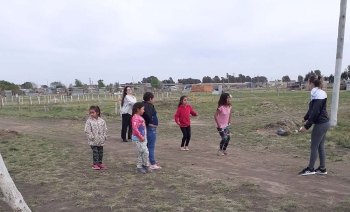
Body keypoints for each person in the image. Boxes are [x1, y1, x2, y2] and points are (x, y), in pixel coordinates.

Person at [299, 75, 330, 176]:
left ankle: (310, 168)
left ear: (311, 84)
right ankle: (322, 168)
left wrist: (306, 126)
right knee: (320, 145)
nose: (307, 85)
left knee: (314, 146)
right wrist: (305, 117)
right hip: (325, 123)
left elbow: (315, 112)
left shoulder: (317, 94)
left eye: (307, 82)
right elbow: (312, 109)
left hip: (321, 124)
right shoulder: (317, 92)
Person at [142, 92, 162, 170]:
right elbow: (148, 116)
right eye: (153, 98)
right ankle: (152, 163)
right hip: (150, 129)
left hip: (146, 128)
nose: (153, 100)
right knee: (150, 146)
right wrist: (150, 124)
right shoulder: (149, 106)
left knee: (146, 146)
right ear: (150, 99)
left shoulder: (142, 105)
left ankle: (146, 162)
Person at [84, 106, 108, 170]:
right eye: (90, 113)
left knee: (100, 152)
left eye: (93, 112)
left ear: (97, 112)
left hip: (101, 140)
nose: (91, 114)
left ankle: (100, 163)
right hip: (93, 141)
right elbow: (87, 130)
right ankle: (95, 164)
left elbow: (105, 129)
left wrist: (104, 136)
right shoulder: (89, 121)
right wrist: (91, 137)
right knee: (95, 152)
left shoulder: (102, 121)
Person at [131, 102, 152, 174]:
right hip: (138, 139)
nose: (144, 111)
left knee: (142, 152)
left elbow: (143, 127)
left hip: (143, 138)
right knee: (144, 152)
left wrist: (144, 136)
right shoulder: (135, 118)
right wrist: (140, 137)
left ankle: (143, 166)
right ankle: (143, 166)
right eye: (143, 109)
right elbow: (135, 128)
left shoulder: (140, 117)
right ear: (138, 109)